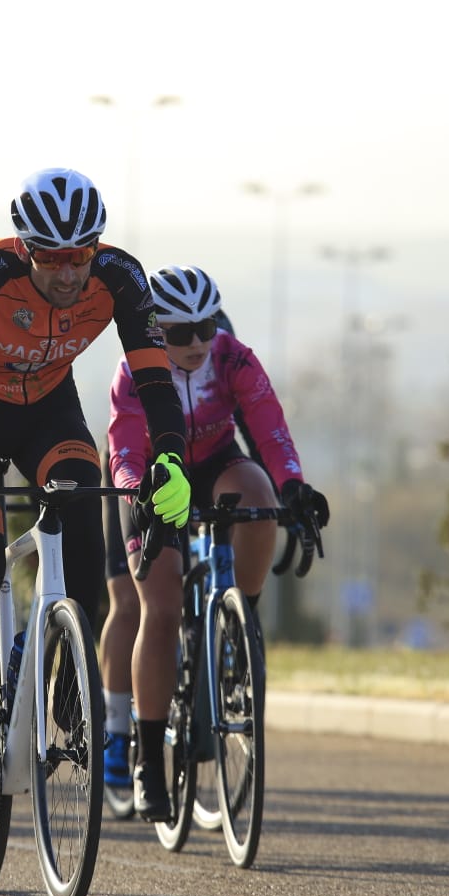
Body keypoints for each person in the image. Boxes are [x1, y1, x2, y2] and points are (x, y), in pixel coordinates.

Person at [0, 166, 192, 824]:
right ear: (25, 247)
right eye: (53, 258)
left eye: (81, 256)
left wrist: (173, 460)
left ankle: (65, 681)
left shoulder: (119, 276)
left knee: (78, 502)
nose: (69, 273)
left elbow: (155, 380)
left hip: (47, 412)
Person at [107, 264, 330, 821]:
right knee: (158, 610)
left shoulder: (232, 356)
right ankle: (148, 761)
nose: (197, 343)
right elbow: (126, 450)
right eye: (181, 333)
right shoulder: (134, 369)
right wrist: (137, 494)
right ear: (156, 329)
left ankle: (239, 623)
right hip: (155, 478)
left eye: (205, 327)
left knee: (257, 488)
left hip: (214, 465)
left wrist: (294, 486)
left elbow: (269, 426)